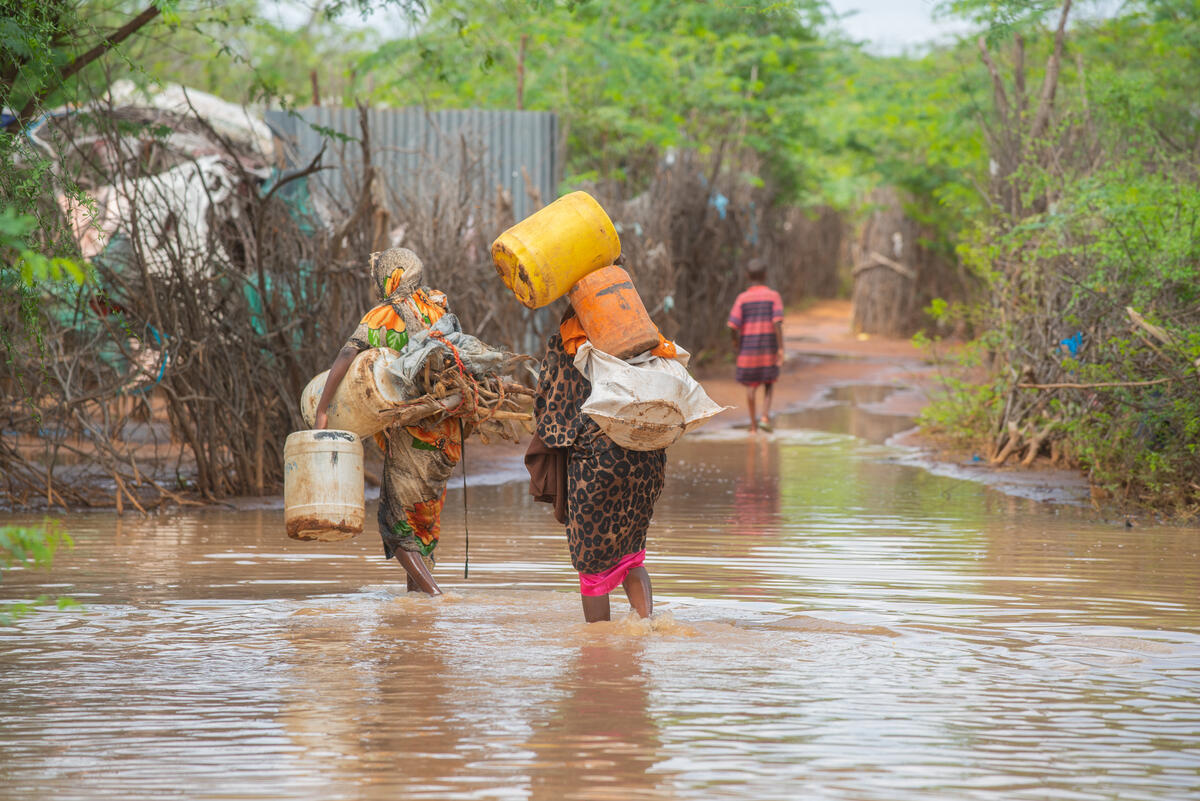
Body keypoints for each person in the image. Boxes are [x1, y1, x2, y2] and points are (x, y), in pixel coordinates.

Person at [314, 247, 464, 596]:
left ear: (390, 276)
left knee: (394, 524)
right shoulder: (438, 308)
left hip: (411, 435)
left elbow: (348, 354)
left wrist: (323, 409)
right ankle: (417, 609)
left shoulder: (383, 315)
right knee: (422, 522)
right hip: (447, 434)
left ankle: (435, 597)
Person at [527, 305, 666, 623]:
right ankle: (643, 634)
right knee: (632, 556)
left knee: (591, 566)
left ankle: (597, 654)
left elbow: (552, 411)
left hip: (597, 465)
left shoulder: (569, 338)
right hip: (648, 460)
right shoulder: (642, 333)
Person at [728, 259, 784, 433]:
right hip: (768, 349)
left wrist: (736, 343)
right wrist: (781, 348)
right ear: (765, 275)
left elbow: (732, 325)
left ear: (747, 276)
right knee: (768, 383)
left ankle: (753, 426)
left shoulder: (742, 298)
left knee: (751, 387)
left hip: (748, 350)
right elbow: (777, 322)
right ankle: (765, 417)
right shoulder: (773, 296)